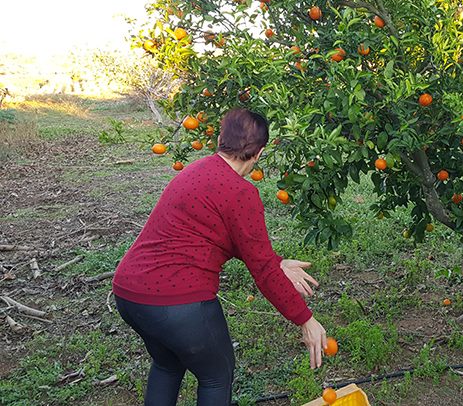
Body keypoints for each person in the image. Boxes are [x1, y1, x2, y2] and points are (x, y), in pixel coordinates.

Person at [112, 108, 327, 405]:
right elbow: (262, 270)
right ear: (259, 153)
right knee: (216, 375)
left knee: (167, 364)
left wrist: (278, 262)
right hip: (178, 303)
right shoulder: (240, 192)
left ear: (221, 140)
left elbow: (231, 239)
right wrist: (306, 320)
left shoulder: (197, 170)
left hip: (130, 293)